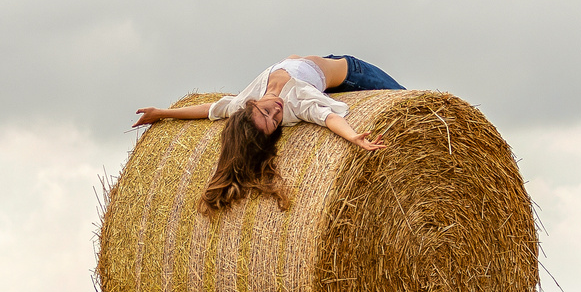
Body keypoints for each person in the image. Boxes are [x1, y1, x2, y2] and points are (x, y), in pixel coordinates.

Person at [131, 55, 397, 214]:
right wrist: (352, 137)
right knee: (405, 98)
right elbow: (327, 117)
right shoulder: (295, 103)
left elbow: (210, 109)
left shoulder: (243, 102)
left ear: (251, 106)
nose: (276, 112)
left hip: (325, 62)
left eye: (266, 111)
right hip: (353, 74)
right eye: (274, 121)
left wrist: (163, 112)